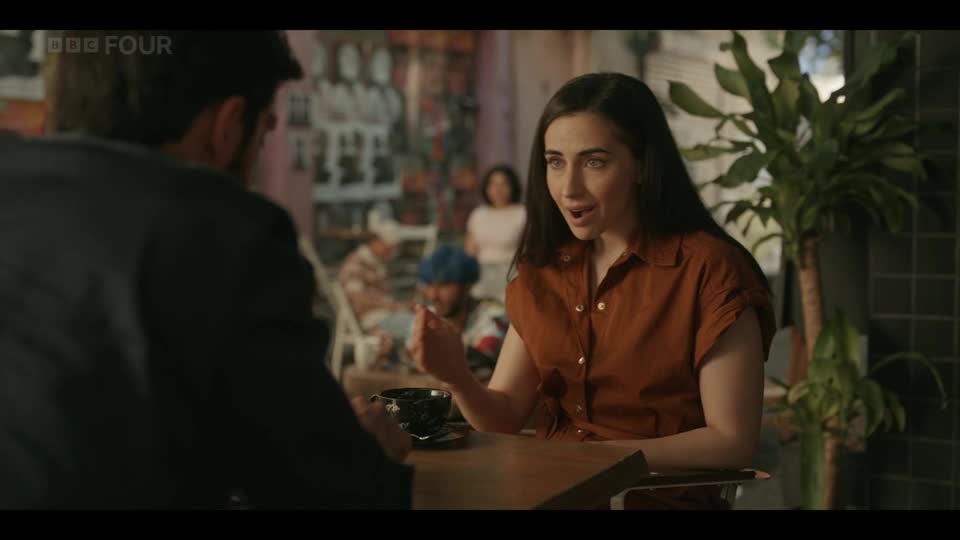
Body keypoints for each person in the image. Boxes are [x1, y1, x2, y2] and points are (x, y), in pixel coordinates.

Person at [0, 31, 412, 510]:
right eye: (262, 137)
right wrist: (367, 456)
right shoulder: (222, 233)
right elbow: (336, 494)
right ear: (228, 127)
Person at [409, 72, 776, 510]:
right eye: (555, 161)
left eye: (594, 162)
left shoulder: (710, 270)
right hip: (546, 496)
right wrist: (457, 377)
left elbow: (731, 440)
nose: (569, 188)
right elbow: (504, 416)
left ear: (641, 164)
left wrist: (591, 460)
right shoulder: (542, 272)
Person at [401, 245, 508, 382]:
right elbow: (411, 355)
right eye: (429, 285)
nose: (433, 295)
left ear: (467, 285)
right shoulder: (425, 316)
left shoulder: (492, 315)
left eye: (444, 285)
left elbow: (481, 360)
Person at [464, 164, 526, 302]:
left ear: (513, 187)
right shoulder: (478, 214)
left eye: (503, 184)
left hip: (511, 276)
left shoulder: (522, 213)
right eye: (493, 184)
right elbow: (470, 252)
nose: (498, 190)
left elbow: (529, 252)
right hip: (481, 277)